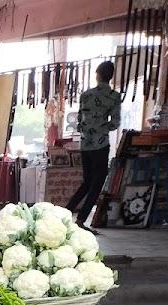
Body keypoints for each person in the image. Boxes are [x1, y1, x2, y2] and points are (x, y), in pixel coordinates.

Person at [68, 60, 122, 229]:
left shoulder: (86, 95)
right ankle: (81, 219)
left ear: (97, 75)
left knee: (87, 181)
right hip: (101, 144)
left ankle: (66, 212)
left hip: (85, 144)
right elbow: (115, 122)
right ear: (111, 76)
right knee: (97, 183)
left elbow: (78, 120)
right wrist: (102, 128)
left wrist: (88, 129)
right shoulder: (114, 96)